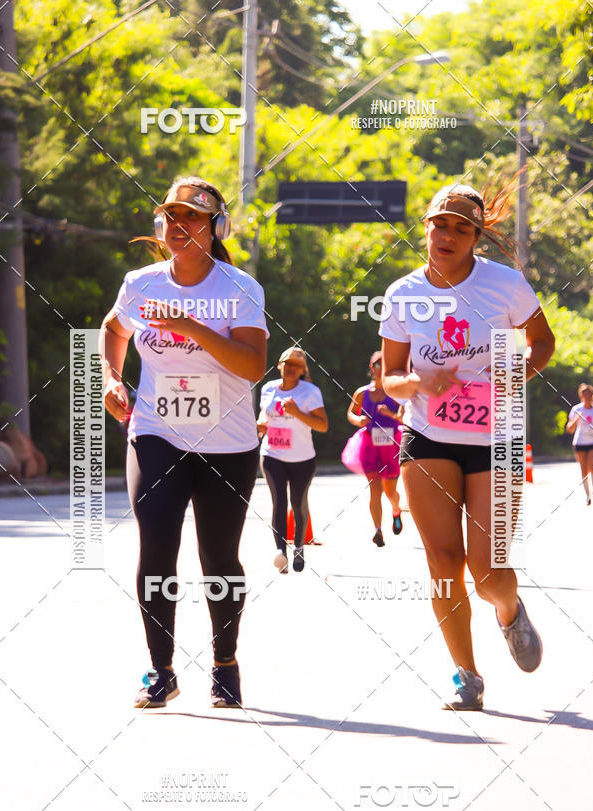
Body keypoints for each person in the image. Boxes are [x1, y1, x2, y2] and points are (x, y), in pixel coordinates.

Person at [380, 180, 555, 710]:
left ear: (476, 237)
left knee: (489, 573)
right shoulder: (403, 293)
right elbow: (390, 376)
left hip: (495, 438)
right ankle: (466, 675)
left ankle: (509, 609)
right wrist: (417, 384)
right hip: (427, 434)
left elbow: (542, 340)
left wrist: (517, 372)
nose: (448, 235)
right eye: (441, 225)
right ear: (426, 228)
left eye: (462, 228)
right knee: (442, 561)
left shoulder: (505, 284)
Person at [100, 176, 268, 709]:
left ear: (214, 226)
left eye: (192, 217)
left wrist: (192, 326)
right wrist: (109, 375)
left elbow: (253, 366)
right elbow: (113, 328)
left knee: (219, 557)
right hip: (156, 432)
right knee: (156, 551)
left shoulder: (239, 288)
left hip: (228, 441)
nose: (179, 226)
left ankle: (225, 664)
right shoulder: (140, 283)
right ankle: (161, 669)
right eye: (171, 216)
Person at [257, 347, 328, 573]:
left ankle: (298, 547)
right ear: (279, 365)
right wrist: (261, 424)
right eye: (286, 363)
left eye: (296, 365)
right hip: (272, 454)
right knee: (279, 502)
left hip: (302, 458)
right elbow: (264, 414)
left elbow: (322, 425)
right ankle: (280, 551)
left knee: (298, 503)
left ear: (302, 370)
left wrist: (297, 412)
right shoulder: (268, 388)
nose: (290, 368)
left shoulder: (310, 392)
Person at [345, 351, 404, 547]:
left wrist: (391, 414)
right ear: (372, 368)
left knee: (390, 491)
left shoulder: (396, 393)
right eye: (377, 365)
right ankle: (378, 530)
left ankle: (396, 509)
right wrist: (358, 420)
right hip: (370, 444)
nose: (380, 368)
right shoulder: (362, 393)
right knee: (374, 489)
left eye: (384, 364)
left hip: (391, 444)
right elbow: (351, 413)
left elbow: (407, 417)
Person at [566, 383, 593, 504]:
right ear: (581, 396)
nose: (587, 397)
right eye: (584, 395)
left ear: (592, 395)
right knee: (584, 470)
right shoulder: (577, 409)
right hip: (580, 442)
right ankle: (588, 495)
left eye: (589, 394)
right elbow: (569, 429)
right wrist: (576, 419)